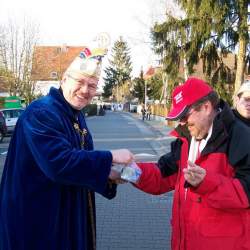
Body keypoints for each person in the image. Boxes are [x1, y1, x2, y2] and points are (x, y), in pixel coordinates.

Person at [0, 47, 134, 250]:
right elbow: (58, 163)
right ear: (64, 80)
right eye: (79, 82)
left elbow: (81, 160)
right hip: (38, 220)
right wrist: (110, 157)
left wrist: (109, 174)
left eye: (92, 85)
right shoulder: (41, 112)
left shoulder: (74, 113)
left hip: (67, 212)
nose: (85, 90)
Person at [132, 77, 250, 250]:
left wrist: (207, 184)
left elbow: (247, 192)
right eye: (178, 118)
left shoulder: (241, 137)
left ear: (206, 107)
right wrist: (128, 172)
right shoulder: (186, 139)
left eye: (185, 116)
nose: (181, 123)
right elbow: (162, 175)